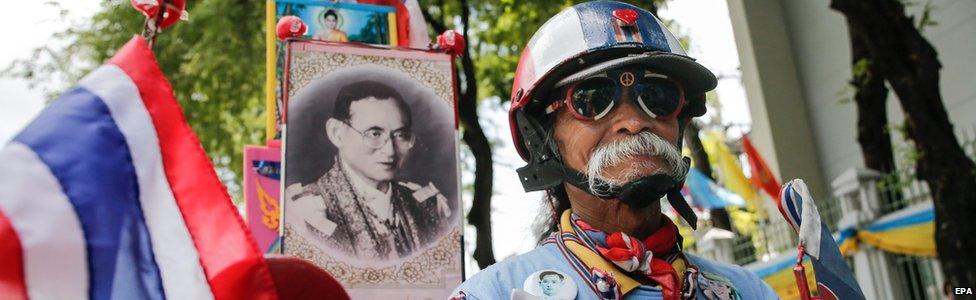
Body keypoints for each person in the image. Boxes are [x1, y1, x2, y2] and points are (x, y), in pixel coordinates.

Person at [451, 1, 777, 299]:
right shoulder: (490, 294)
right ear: (542, 138)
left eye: (658, 96)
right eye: (592, 99)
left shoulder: (748, 291)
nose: (634, 123)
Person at [287, 80, 449, 260]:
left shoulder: (430, 206)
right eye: (374, 134)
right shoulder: (304, 210)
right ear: (336, 133)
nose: (390, 151)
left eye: (401, 135)